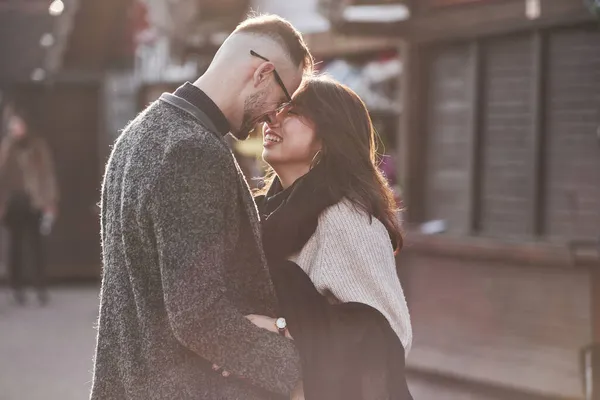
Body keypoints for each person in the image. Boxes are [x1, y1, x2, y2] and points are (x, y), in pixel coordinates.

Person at [90, 14, 313, 400]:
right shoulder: (192, 151)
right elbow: (197, 314)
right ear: (262, 73)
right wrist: (296, 374)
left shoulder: (138, 134)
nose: (274, 116)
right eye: (283, 99)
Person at [251, 76, 413, 399]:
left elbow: (389, 338)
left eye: (292, 111)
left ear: (328, 136)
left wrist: (279, 328)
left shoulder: (346, 218)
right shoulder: (261, 216)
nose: (273, 117)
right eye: (276, 109)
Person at [0, 106, 59, 305]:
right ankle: (16, 287)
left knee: (37, 245)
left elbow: (47, 175)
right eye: (12, 126)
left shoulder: (37, 146)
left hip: (35, 200)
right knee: (15, 246)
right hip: (14, 202)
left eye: (18, 125)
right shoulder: (7, 147)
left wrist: (50, 201)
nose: (16, 129)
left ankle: (40, 285)